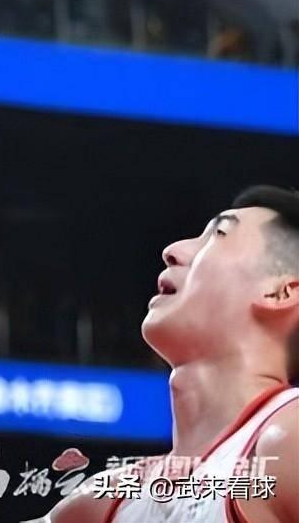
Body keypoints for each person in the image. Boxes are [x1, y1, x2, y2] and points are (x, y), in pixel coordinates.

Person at [47, 185, 299, 523]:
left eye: (218, 234)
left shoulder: (287, 440)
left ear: (280, 291)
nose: (172, 250)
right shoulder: (102, 502)